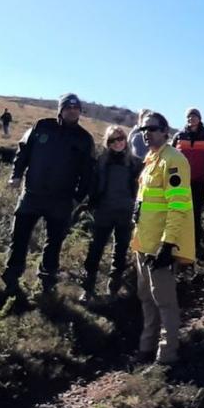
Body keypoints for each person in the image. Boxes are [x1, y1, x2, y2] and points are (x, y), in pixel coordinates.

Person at [2, 93, 96, 298]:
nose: (73, 111)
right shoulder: (42, 126)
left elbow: (88, 172)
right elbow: (23, 151)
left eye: (76, 108)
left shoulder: (84, 138)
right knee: (19, 238)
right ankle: (11, 281)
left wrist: (77, 198)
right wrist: (16, 175)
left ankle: (46, 284)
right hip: (31, 195)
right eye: (68, 107)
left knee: (53, 244)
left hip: (61, 200)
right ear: (60, 110)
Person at [131, 112, 195, 365]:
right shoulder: (151, 160)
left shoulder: (174, 160)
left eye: (152, 128)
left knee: (165, 302)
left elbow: (178, 206)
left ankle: (167, 356)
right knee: (146, 298)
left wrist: (168, 245)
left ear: (165, 131)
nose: (146, 133)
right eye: (143, 129)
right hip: (143, 243)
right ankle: (146, 348)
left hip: (159, 246)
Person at [80, 126, 142, 302]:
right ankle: (88, 289)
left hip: (126, 212)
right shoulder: (101, 161)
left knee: (120, 252)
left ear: (126, 140)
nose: (117, 143)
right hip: (104, 211)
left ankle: (113, 290)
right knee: (95, 250)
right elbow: (93, 184)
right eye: (112, 140)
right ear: (107, 143)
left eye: (120, 138)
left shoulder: (135, 163)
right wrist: (90, 203)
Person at [172, 108, 204, 261]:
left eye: (194, 116)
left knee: (195, 215)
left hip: (198, 182)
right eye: (189, 116)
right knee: (178, 213)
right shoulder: (179, 136)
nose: (191, 119)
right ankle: (177, 247)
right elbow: (171, 157)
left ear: (199, 118)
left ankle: (195, 247)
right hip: (180, 183)